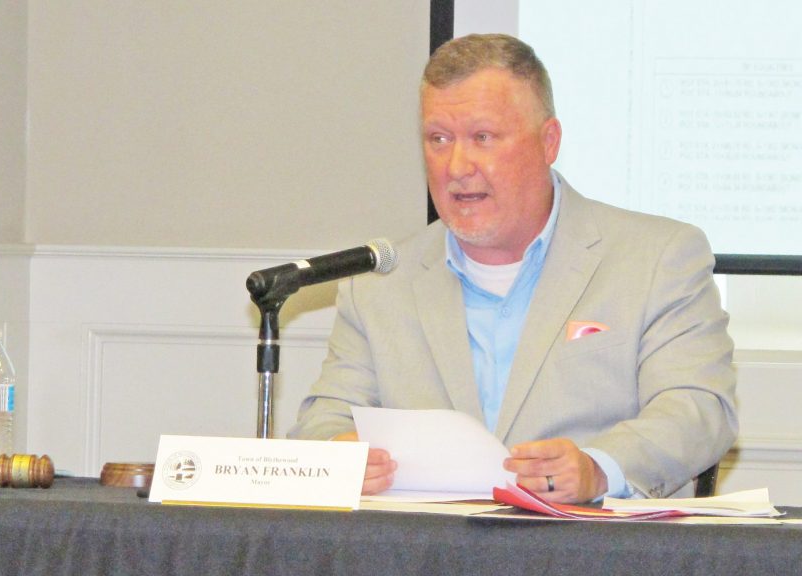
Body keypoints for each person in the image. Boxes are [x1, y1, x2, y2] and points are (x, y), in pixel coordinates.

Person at [287, 33, 738, 503]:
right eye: (439, 139)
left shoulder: (657, 258)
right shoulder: (380, 283)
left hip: (591, 536)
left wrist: (599, 469)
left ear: (548, 142)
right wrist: (340, 455)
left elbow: (698, 408)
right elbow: (325, 420)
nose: (457, 166)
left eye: (482, 138)